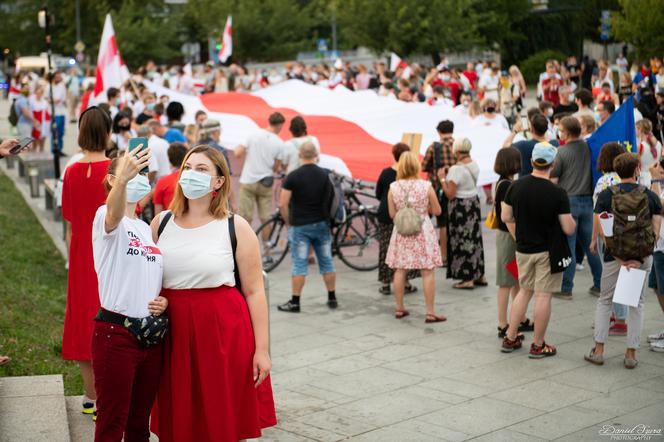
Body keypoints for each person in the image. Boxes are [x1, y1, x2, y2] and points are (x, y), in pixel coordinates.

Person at [150, 145, 276, 440]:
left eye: (202, 169)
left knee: (224, 417)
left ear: (219, 181)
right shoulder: (161, 223)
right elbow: (150, 277)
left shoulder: (235, 226)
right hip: (174, 332)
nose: (192, 174)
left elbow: (256, 291)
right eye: (188, 167)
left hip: (223, 331)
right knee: (180, 415)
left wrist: (262, 350)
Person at [91, 151, 169, 440]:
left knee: (139, 424)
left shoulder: (146, 229)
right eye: (129, 172)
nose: (138, 178)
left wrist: (163, 300)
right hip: (115, 335)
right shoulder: (106, 217)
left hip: (150, 337)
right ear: (112, 179)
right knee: (112, 421)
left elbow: (151, 275)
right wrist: (123, 180)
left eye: (141, 173)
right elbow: (113, 213)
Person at [585, 153, 661, 368]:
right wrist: (637, 259)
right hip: (641, 258)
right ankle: (630, 354)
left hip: (613, 257)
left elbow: (602, 231)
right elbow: (656, 233)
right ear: (638, 168)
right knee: (636, 304)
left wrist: (619, 257)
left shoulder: (606, 196)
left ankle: (599, 350)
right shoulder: (650, 196)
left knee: (605, 300)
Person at [61, 106, 113, 417]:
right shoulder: (115, 170)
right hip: (108, 253)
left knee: (83, 319)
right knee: (110, 319)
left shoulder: (71, 171)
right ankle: (108, 395)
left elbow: (68, 220)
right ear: (108, 132)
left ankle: (90, 395)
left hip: (81, 253)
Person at [501, 143, 576, 357]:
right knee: (543, 296)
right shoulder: (558, 193)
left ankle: (511, 337)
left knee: (524, 291)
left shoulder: (514, 187)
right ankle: (538, 344)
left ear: (532, 162)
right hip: (547, 251)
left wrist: (518, 235)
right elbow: (568, 228)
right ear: (552, 164)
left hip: (523, 249)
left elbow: (506, 217)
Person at [277, 142, 337, 312]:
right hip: (321, 224)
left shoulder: (293, 176)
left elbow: (283, 203)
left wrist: (289, 222)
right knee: (326, 262)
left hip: (300, 226)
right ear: (316, 155)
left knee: (299, 264)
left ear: (300, 155)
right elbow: (331, 198)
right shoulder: (324, 175)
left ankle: (295, 302)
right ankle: (332, 297)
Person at [386, 151, 445, 322]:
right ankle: (430, 311)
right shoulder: (425, 186)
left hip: (402, 231)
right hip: (422, 230)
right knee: (427, 271)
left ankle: (399, 308)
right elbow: (438, 210)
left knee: (400, 270)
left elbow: (391, 214)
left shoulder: (393, 187)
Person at [551, 116, 603, 298]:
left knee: (569, 247)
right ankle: (600, 284)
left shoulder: (561, 152)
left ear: (566, 132)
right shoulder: (589, 148)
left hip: (568, 203)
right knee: (592, 246)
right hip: (588, 202)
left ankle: (566, 289)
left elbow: (553, 181)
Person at [493, 147, 534, 338]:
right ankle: (503, 323)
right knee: (506, 282)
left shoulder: (502, 183)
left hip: (507, 237)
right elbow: (507, 218)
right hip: (509, 237)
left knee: (516, 279)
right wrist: (520, 238)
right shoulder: (506, 185)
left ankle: (520, 317)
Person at [589, 142, 628, 335]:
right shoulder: (629, 178)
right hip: (629, 234)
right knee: (626, 275)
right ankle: (620, 315)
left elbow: (598, 213)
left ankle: (619, 319)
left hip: (609, 234)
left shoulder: (603, 182)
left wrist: (594, 238)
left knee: (611, 277)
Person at [439, 138, 486, 289]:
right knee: (475, 239)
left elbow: (450, 194)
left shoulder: (456, 169)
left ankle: (467, 278)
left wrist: (442, 179)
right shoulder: (474, 164)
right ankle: (479, 275)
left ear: (457, 151)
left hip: (460, 207)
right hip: (473, 203)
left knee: (461, 241)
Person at [376, 143, 420, 295]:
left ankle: (386, 283)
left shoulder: (385, 172)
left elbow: (378, 194)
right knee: (405, 249)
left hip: (386, 215)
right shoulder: (410, 176)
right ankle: (405, 282)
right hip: (404, 217)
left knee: (386, 248)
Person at [235, 112, 284, 226]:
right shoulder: (280, 143)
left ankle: (245, 242)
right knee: (265, 219)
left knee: (245, 218)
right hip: (265, 183)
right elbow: (276, 168)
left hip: (248, 180)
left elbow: (238, 153)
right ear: (280, 125)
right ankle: (266, 243)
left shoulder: (253, 135)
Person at [421, 120, 456, 265]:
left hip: (436, 188)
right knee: (449, 223)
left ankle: (438, 255)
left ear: (439, 132)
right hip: (453, 186)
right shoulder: (458, 146)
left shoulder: (433, 147)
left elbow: (424, 167)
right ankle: (449, 255)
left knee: (435, 221)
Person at [153, 142, 189, 216]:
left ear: (169, 159)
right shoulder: (193, 179)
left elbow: (158, 214)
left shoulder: (162, 182)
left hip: (170, 223)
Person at [636, 119, 662, 188]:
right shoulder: (659, 144)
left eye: (635, 128)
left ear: (639, 129)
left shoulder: (640, 146)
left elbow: (636, 164)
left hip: (643, 179)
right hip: (656, 179)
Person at [49, 71, 67, 155]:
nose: (58, 79)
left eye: (59, 77)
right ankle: (54, 149)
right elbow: (46, 97)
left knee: (60, 132)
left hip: (61, 112)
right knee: (54, 132)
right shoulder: (49, 86)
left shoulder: (62, 86)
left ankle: (59, 149)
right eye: (57, 77)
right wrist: (52, 101)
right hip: (53, 113)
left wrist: (51, 101)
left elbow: (59, 99)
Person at [29, 84, 50, 153]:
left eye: (40, 93)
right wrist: (34, 121)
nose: (38, 95)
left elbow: (47, 112)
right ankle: (34, 151)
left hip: (43, 121)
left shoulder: (45, 102)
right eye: (37, 93)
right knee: (35, 138)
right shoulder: (32, 101)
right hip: (35, 121)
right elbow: (31, 112)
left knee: (43, 137)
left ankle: (42, 150)